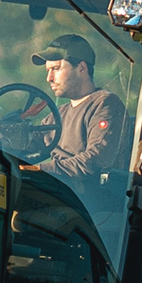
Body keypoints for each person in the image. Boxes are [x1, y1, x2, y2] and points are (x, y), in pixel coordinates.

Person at [33, 32, 126, 181]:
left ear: (81, 68)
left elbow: (95, 161)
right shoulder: (56, 116)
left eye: (56, 68)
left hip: (81, 193)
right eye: (48, 70)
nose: (49, 78)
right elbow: (22, 147)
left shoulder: (104, 104)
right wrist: (17, 120)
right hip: (53, 187)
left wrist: (38, 170)